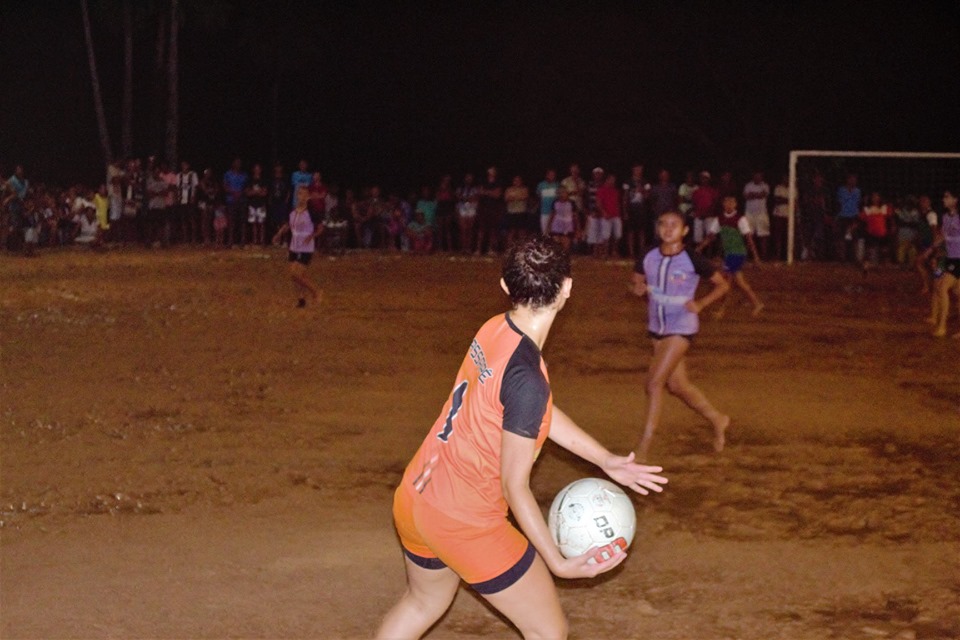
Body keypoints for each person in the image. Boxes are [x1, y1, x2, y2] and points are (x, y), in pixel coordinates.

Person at [376, 235, 668, 640]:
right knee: (548, 632)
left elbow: (528, 415)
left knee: (422, 603)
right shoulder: (527, 378)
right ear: (567, 287)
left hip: (417, 498)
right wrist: (558, 562)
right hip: (466, 522)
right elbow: (514, 486)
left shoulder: (495, 329)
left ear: (505, 287)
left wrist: (604, 459)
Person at [632, 210, 731, 461]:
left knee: (654, 383)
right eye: (663, 223)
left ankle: (644, 445)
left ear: (685, 231)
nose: (668, 228)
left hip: (682, 326)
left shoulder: (693, 259)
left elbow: (723, 284)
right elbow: (635, 283)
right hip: (657, 327)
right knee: (678, 386)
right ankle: (718, 419)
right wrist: (637, 288)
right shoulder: (648, 255)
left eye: (674, 224)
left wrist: (701, 304)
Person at [697, 195, 765, 319]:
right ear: (723, 204)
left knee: (725, 282)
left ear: (735, 205)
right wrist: (699, 248)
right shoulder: (720, 219)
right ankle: (757, 303)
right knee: (739, 282)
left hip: (737, 254)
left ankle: (722, 310)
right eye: (726, 202)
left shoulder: (740, 219)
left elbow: (749, 239)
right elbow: (710, 237)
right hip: (731, 254)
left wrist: (756, 257)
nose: (729, 205)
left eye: (731, 202)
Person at [272, 186, 324, 308]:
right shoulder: (293, 212)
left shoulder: (312, 212)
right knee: (294, 275)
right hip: (294, 246)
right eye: (299, 194)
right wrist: (278, 234)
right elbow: (288, 226)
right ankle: (301, 299)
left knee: (297, 274)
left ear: (308, 197)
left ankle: (316, 292)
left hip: (305, 247)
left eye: (304, 194)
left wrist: (312, 236)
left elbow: (320, 228)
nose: (301, 197)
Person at [922, 190, 960, 338]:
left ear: (955, 200)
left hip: (957, 260)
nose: (944, 199)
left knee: (942, 287)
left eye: (947, 197)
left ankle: (942, 326)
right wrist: (931, 251)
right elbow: (942, 236)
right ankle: (937, 320)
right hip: (949, 259)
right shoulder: (945, 217)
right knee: (956, 293)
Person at [858, 191, 893, 273]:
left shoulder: (884, 208)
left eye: (877, 196)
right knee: (869, 251)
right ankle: (866, 266)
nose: (875, 198)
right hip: (871, 232)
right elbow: (861, 218)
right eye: (873, 197)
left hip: (882, 232)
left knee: (884, 251)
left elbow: (890, 217)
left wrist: (891, 227)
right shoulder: (867, 209)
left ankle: (885, 267)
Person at [742, 171, 771, 260]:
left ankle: (763, 257)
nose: (757, 178)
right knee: (748, 235)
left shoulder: (765, 185)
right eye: (756, 176)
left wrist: (752, 194)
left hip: (761, 213)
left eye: (759, 176)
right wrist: (758, 194)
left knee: (763, 236)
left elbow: (763, 195)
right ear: (753, 176)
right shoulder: (748, 185)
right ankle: (746, 257)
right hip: (749, 213)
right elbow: (746, 196)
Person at [536, 168, 559, 235]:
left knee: (554, 232)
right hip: (544, 212)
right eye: (550, 175)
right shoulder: (541, 185)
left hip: (555, 213)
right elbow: (539, 197)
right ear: (547, 175)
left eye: (553, 175)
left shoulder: (557, 185)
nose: (552, 176)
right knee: (544, 232)